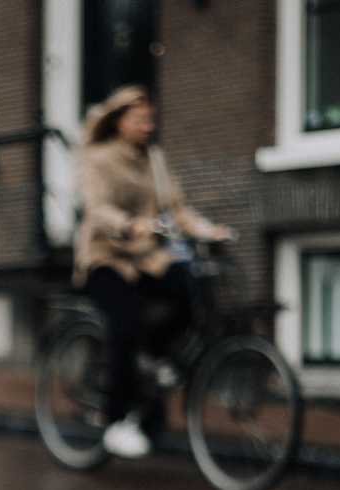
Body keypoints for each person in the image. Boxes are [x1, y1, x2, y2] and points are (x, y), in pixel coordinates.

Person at [73, 85, 233, 459]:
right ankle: (114, 422)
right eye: (140, 119)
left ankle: (154, 358)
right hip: (105, 257)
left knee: (190, 288)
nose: (148, 126)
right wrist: (128, 225)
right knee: (124, 323)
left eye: (150, 119)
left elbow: (177, 209)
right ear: (119, 122)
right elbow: (96, 209)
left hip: (146, 258)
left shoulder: (154, 160)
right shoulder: (99, 158)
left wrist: (208, 230)